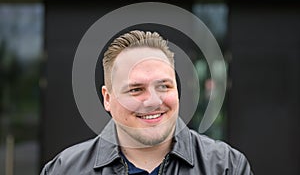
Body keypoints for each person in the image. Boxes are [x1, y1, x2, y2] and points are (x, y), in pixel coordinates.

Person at [41, 30, 253, 174]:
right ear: (107, 98)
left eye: (164, 86)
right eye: (136, 89)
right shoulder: (64, 169)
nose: (153, 100)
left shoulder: (226, 167)